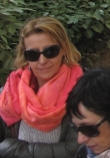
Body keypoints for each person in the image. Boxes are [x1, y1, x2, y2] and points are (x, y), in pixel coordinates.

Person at [0, 17, 82, 157]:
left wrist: (10, 149)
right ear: (25, 55)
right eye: (33, 54)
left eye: (50, 51)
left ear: (64, 49)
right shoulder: (9, 92)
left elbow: (76, 149)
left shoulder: (84, 90)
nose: (42, 61)